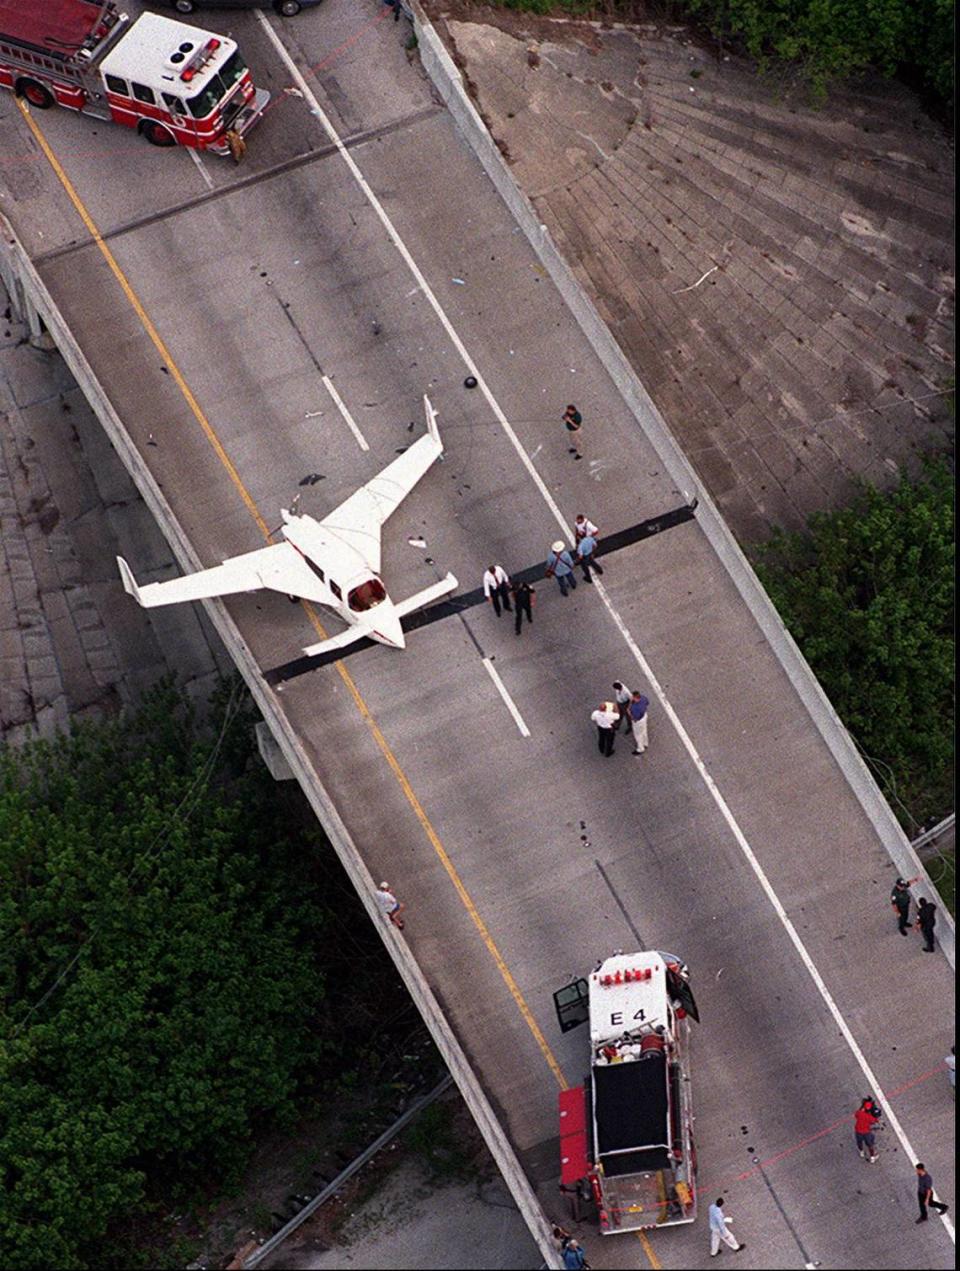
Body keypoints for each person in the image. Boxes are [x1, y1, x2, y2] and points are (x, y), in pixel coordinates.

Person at [854, 1097, 881, 1162]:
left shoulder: (859, 1113)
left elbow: (856, 1115)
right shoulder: (870, 1117)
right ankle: (872, 1157)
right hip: (866, 1132)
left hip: (858, 1131)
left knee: (859, 1142)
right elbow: (874, 1121)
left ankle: (861, 1152)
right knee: (870, 1145)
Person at [628, 689, 650, 755]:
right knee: (644, 730)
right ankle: (645, 743)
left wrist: (629, 712)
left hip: (638, 721)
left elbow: (634, 719)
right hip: (644, 716)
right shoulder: (643, 698)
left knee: (638, 735)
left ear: (635, 697)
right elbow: (647, 703)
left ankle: (640, 748)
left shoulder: (635, 707)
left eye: (633, 697)